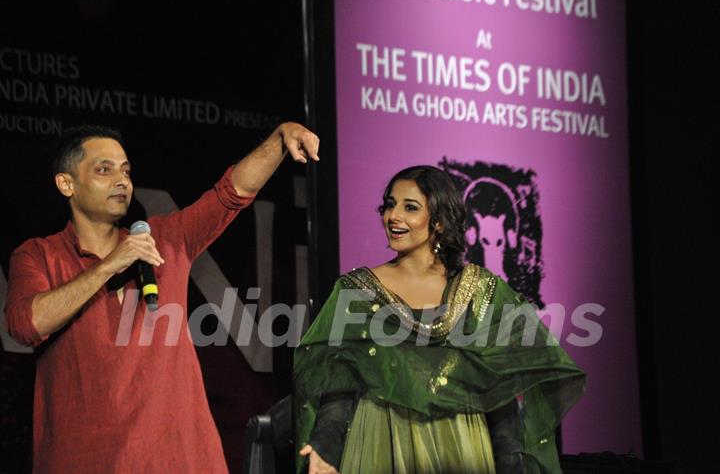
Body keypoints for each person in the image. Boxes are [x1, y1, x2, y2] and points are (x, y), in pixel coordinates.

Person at [5, 122, 319, 473]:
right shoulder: (37, 255)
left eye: (126, 170)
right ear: (67, 184)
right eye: (104, 170)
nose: (121, 181)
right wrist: (110, 265)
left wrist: (279, 139)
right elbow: (25, 324)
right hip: (87, 460)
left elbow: (231, 193)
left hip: (178, 459)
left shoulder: (166, 240)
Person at [294, 166, 586, 474]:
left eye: (410, 207)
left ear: (439, 221)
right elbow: (337, 382)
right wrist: (325, 446)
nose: (393, 216)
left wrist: (511, 462)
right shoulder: (356, 291)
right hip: (381, 440)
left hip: (461, 444)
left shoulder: (481, 290)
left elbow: (501, 392)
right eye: (390, 204)